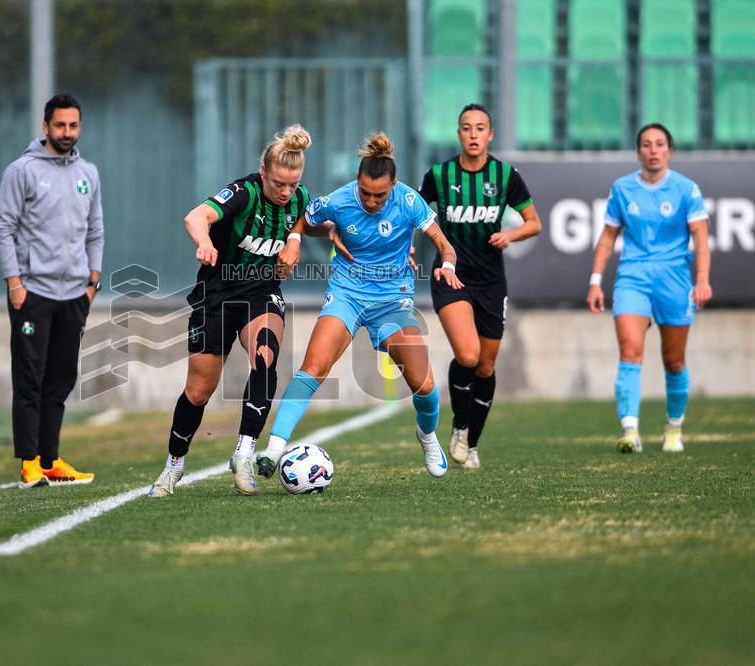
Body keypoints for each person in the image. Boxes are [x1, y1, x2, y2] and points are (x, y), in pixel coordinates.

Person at [259, 133, 463, 480]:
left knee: (425, 385)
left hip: (392, 300)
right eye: (365, 193)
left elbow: (445, 245)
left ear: (394, 186)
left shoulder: (409, 201)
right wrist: (298, 238)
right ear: (357, 182)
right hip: (347, 294)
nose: (370, 201)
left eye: (379, 195)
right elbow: (304, 221)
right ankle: (274, 449)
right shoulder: (339, 200)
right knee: (314, 367)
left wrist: (448, 264)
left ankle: (427, 436)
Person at [148, 125, 312, 497]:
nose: (286, 193)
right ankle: (173, 465)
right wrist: (205, 243)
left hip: (262, 294)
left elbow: (314, 218)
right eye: (278, 184)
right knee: (198, 391)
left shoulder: (299, 198)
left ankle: (244, 452)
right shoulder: (244, 192)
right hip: (217, 295)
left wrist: (297, 239)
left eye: (293, 184)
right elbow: (195, 217)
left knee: (265, 356)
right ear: (264, 172)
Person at [417, 103, 541, 470]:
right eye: (466, 128)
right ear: (459, 134)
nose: (473, 134)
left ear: (491, 135)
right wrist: (408, 246)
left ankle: (471, 443)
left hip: (491, 281)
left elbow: (535, 223)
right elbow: (414, 215)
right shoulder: (439, 175)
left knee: (485, 366)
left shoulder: (505, 176)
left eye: (480, 128)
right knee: (468, 356)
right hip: (451, 275)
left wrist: (511, 234)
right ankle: (458, 426)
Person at [0, 93, 103, 488]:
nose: (67, 132)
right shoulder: (21, 171)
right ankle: (29, 462)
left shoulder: (87, 172)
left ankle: (50, 459)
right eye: (60, 125)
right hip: (32, 293)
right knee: (30, 378)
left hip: (74, 296)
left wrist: (93, 282)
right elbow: (2, 227)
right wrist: (15, 284)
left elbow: (95, 231)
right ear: (45, 126)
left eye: (73, 125)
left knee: (61, 379)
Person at [587, 123, 711, 453]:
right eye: (646, 144)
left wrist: (701, 279)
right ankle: (630, 431)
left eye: (659, 144)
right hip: (633, 276)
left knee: (674, 360)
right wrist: (595, 281)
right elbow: (608, 237)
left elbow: (700, 237)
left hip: (675, 279)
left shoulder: (686, 189)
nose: (653, 150)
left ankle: (674, 428)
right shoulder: (623, 188)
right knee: (629, 350)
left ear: (669, 151)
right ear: (638, 151)